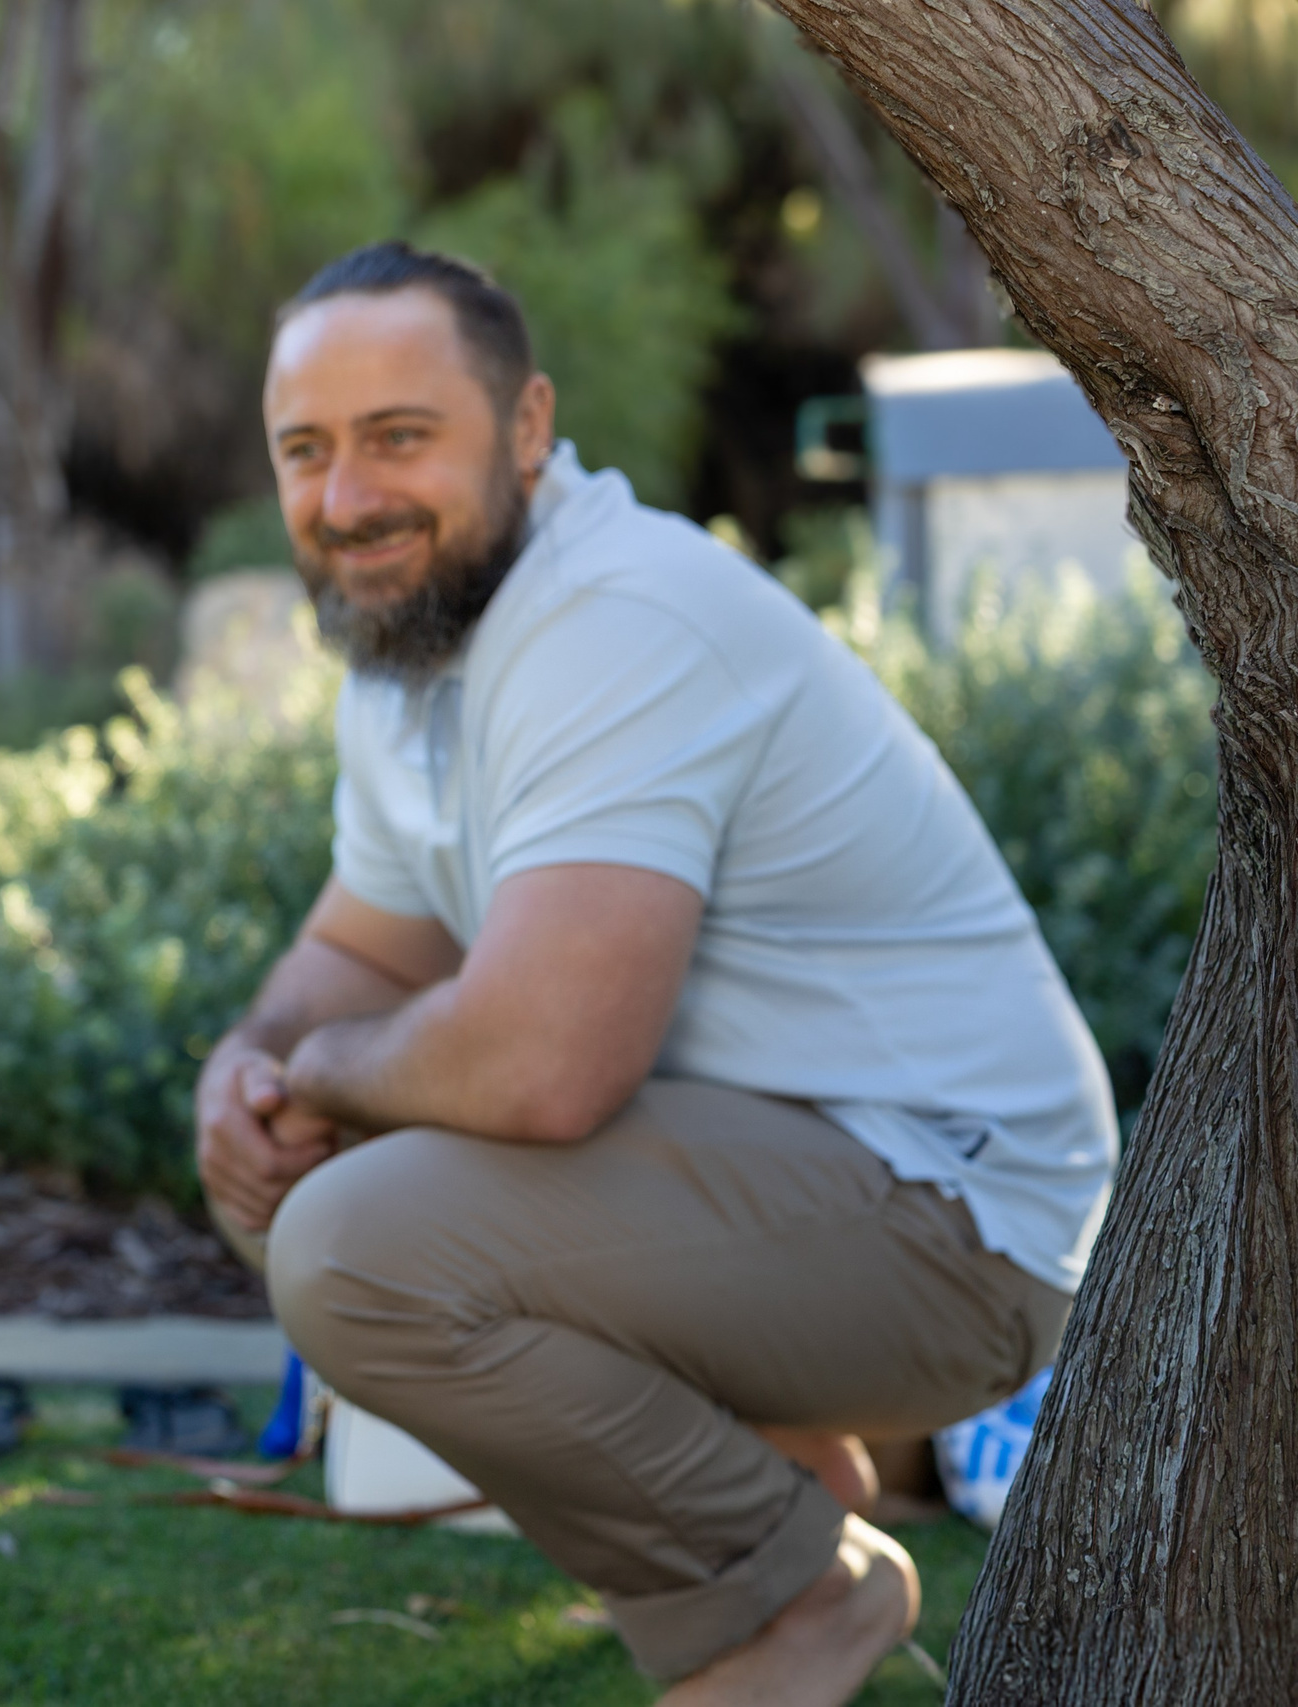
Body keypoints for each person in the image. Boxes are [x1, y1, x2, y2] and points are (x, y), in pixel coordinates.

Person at [195, 242, 1115, 1704]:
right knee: (304, 1170)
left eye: (398, 437)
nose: (347, 498)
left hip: (960, 1218)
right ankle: (785, 1491)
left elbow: (546, 1067)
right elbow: (361, 948)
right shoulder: (415, 640)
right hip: (800, 1177)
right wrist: (248, 1071)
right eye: (306, 450)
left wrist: (319, 1074)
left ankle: (797, 1599)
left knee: (354, 1242)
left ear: (529, 425)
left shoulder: (614, 617)